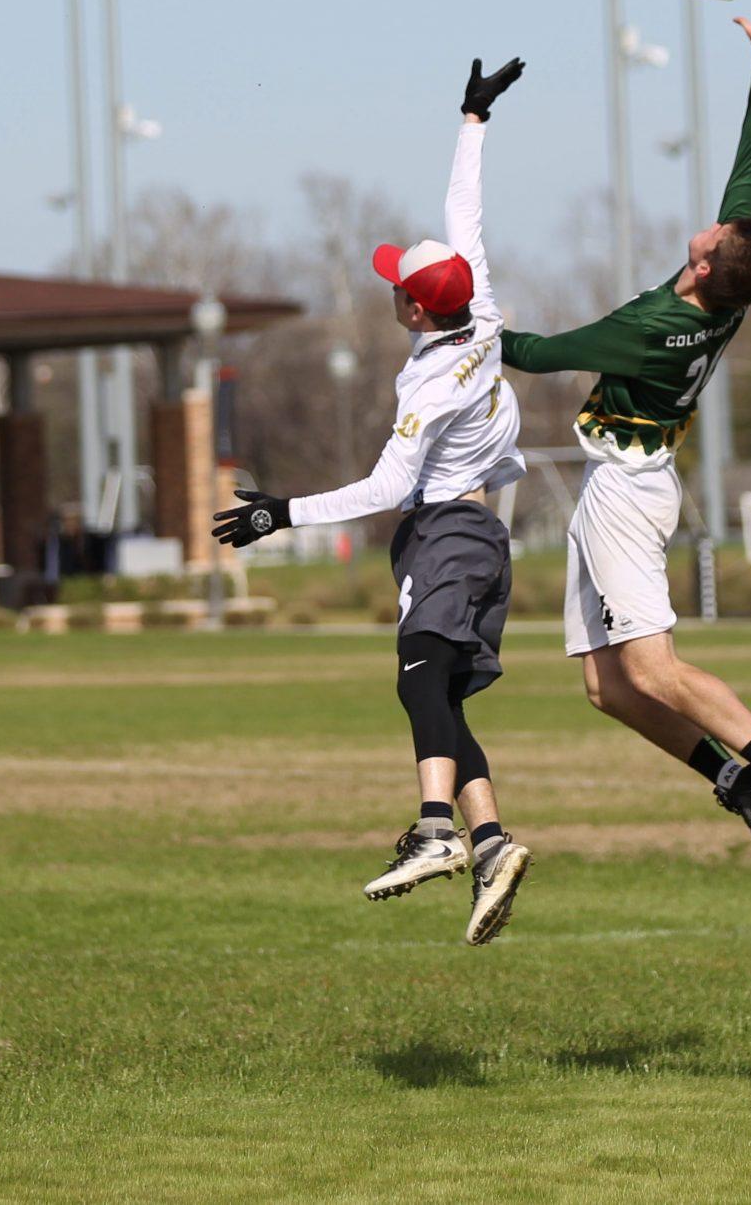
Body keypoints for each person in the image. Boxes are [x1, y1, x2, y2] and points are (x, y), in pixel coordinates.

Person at [494, 0, 751, 873]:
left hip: (627, 494)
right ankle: (741, 784)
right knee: (607, 687)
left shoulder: (655, 327)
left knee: (653, 671)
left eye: (718, 229)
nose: (722, 214)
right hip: (626, 484)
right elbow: (748, 175)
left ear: (700, 260)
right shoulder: (722, 285)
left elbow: (539, 350)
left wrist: (462, 330)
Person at [213, 58, 535, 946]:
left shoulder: (429, 384)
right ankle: (492, 841)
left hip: (447, 533)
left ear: (419, 313)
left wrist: (284, 511)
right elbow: (462, 213)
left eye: (397, 285)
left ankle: (437, 832)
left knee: (420, 676)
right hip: (478, 536)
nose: (390, 284)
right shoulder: (484, 308)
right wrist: (473, 118)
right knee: (439, 697)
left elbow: (390, 486)